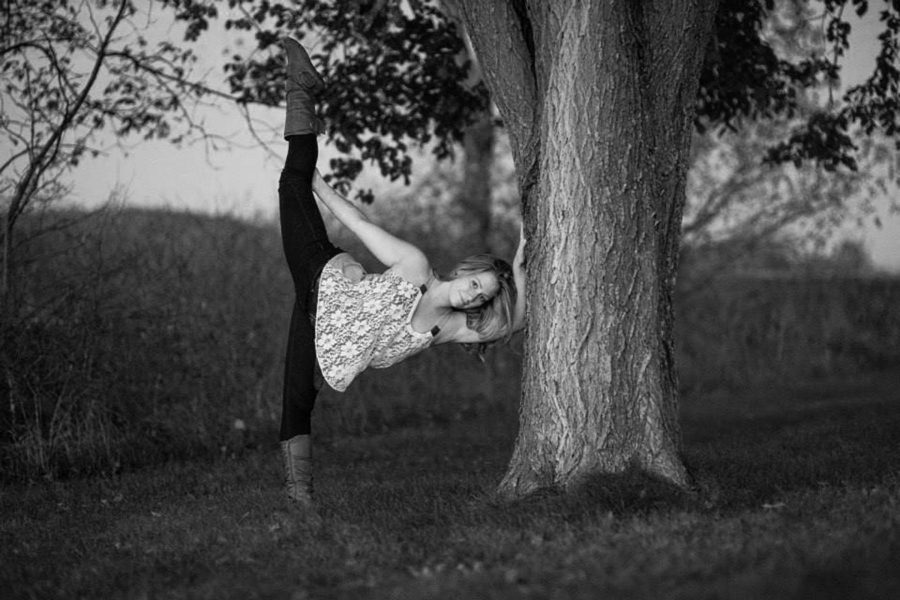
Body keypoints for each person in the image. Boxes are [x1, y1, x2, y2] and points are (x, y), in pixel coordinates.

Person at [277, 38, 526, 508]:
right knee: (292, 181)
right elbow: (359, 223)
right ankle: (301, 91)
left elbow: (515, 320)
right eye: (475, 283)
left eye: (481, 297)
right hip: (321, 274)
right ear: (463, 272)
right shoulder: (414, 266)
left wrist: (519, 265)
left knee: (296, 403)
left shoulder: (448, 328)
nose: (473, 296)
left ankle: (299, 501)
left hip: (321, 330)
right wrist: (317, 183)